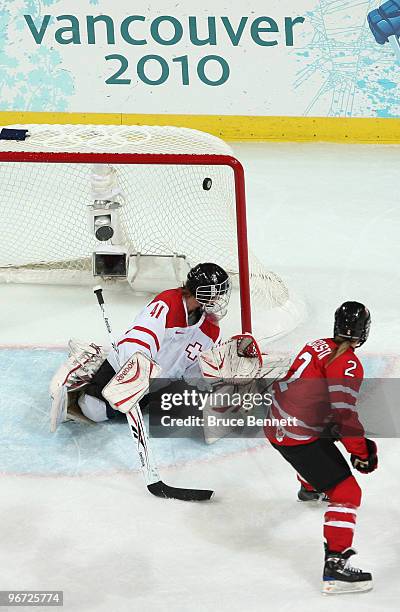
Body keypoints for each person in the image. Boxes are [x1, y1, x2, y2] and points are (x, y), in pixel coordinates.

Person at [264, 302, 377, 595]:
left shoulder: (315, 345)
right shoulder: (349, 363)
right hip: (298, 436)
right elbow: (344, 414)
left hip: (275, 426)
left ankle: (310, 487)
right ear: (363, 331)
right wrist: (362, 451)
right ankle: (336, 566)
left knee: (320, 434)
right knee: (348, 492)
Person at [50, 262, 231, 427]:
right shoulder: (168, 303)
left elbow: (196, 370)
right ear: (203, 292)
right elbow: (143, 334)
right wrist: (138, 369)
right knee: (94, 410)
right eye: (217, 293)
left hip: (156, 385)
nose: (220, 299)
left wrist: (215, 378)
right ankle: (93, 363)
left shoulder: (212, 329)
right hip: (128, 369)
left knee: (171, 409)